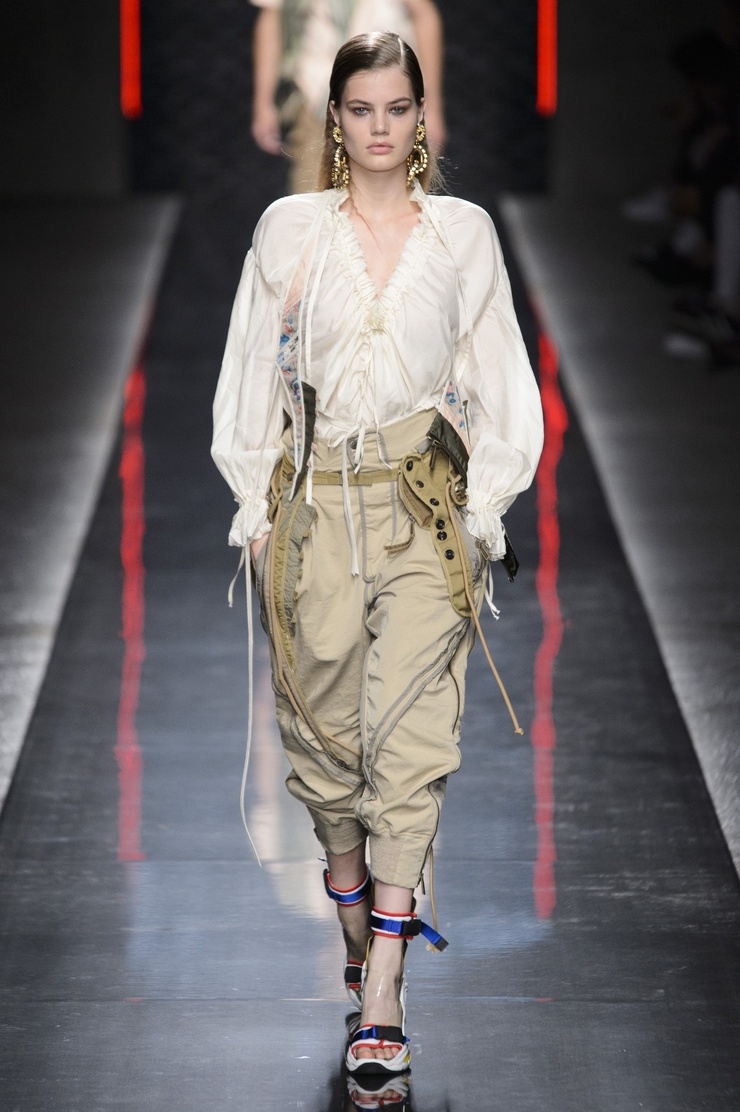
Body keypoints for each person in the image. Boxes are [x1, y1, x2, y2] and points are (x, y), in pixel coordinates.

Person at [212, 32, 543, 1075]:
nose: (380, 127)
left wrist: (484, 509)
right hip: (312, 508)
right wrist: (254, 506)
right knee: (324, 758)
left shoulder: (462, 233)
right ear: (335, 119)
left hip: (421, 509)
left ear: (420, 117)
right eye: (361, 109)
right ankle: (357, 926)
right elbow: (249, 370)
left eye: (398, 108)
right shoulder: (291, 229)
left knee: (409, 743)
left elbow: (500, 375)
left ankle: (385, 990)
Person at [251, 0, 446, 192]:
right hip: (315, 92)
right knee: (313, 192)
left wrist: (432, 107)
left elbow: (423, 15)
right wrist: (263, 102)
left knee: (398, 192)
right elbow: (272, 18)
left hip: (391, 87)